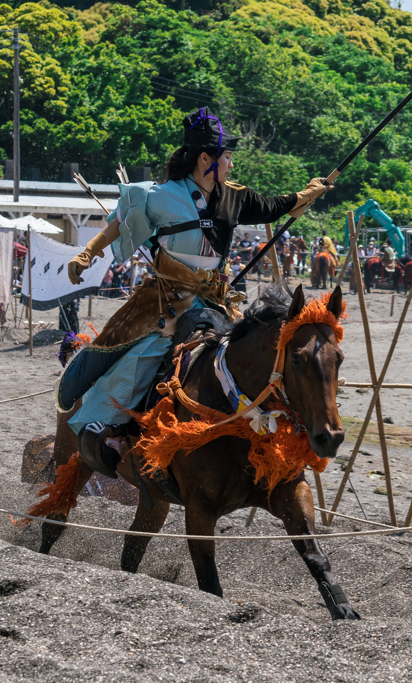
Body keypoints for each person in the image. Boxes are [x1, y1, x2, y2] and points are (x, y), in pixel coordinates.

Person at [61, 107, 332, 478]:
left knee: (251, 354)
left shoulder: (234, 198)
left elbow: (275, 208)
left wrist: (308, 193)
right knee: (145, 353)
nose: (231, 164)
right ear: (206, 158)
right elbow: (118, 221)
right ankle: (112, 427)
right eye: (227, 156)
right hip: (165, 298)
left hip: (213, 300)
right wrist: (87, 251)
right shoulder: (159, 196)